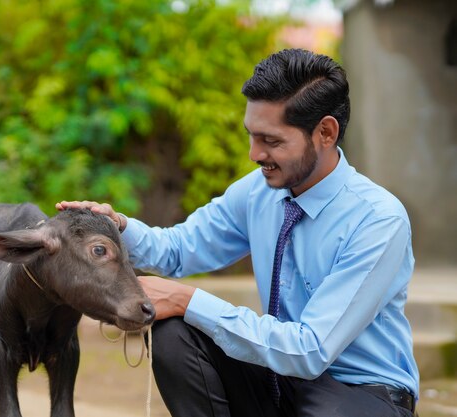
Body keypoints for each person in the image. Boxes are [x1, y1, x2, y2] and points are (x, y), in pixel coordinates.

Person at [56, 48, 418, 417]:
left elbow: (310, 350)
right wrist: (118, 228)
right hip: (280, 379)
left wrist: (188, 299)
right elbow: (178, 250)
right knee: (174, 333)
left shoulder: (377, 220)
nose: (254, 154)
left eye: (271, 141)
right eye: (251, 136)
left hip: (359, 393)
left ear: (325, 132)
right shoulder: (259, 192)